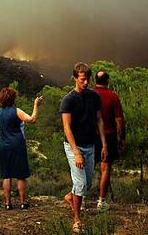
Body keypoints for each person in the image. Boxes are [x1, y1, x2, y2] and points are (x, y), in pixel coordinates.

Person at [59, 62, 108, 233]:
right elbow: (67, 127)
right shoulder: (68, 100)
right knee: (80, 184)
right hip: (74, 146)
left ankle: (70, 197)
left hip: (90, 144)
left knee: (86, 185)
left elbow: (99, 120)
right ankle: (77, 220)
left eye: (87, 79)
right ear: (75, 78)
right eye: (82, 80)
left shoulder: (94, 96)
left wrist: (103, 144)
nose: (85, 83)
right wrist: (76, 152)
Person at [0, 87, 43, 210]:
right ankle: (22, 202)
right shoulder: (16, 111)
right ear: (13, 98)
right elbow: (32, 119)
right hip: (17, 144)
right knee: (20, 174)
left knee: (6, 175)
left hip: (4, 145)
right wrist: (36, 105)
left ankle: (7, 204)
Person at [93, 71, 126, 212]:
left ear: (95, 80)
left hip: (91, 136)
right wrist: (122, 138)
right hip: (109, 136)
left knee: (86, 168)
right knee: (105, 168)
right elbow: (119, 120)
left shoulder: (89, 94)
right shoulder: (113, 96)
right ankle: (102, 201)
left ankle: (80, 201)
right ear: (107, 81)